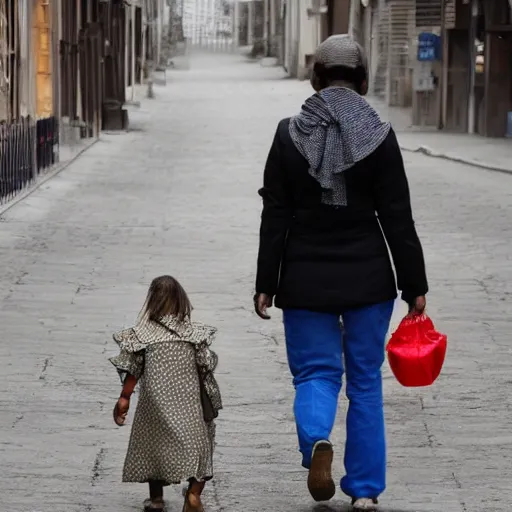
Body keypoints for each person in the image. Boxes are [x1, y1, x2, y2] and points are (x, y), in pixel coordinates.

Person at [254, 35, 428, 511]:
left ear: (315, 79)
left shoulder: (288, 133)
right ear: (364, 79)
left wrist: (265, 283)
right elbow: (398, 215)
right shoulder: (380, 136)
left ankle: (316, 443)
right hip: (369, 280)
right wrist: (415, 284)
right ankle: (366, 491)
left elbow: (275, 214)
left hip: (305, 281)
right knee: (366, 383)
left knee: (315, 374)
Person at [110, 275, 222, 512]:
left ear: (151, 302)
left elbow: (133, 368)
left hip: (155, 404)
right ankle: (193, 493)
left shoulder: (143, 335)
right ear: (182, 301)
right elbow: (206, 363)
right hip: (189, 403)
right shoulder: (192, 334)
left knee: (153, 446)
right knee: (199, 446)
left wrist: (124, 398)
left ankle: (157, 499)